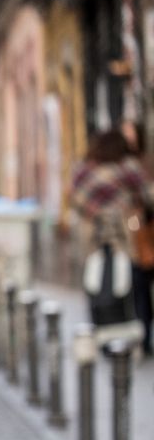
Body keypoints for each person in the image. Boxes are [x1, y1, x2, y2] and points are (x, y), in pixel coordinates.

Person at [68, 129, 154, 353]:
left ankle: (103, 337)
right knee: (133, 288)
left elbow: (75, 199)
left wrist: (96, 212)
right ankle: (141, 339)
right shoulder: (128, 168)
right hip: (125, 238)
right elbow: (149, 194)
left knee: (97, 286)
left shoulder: (84, 170)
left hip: (94, 240)